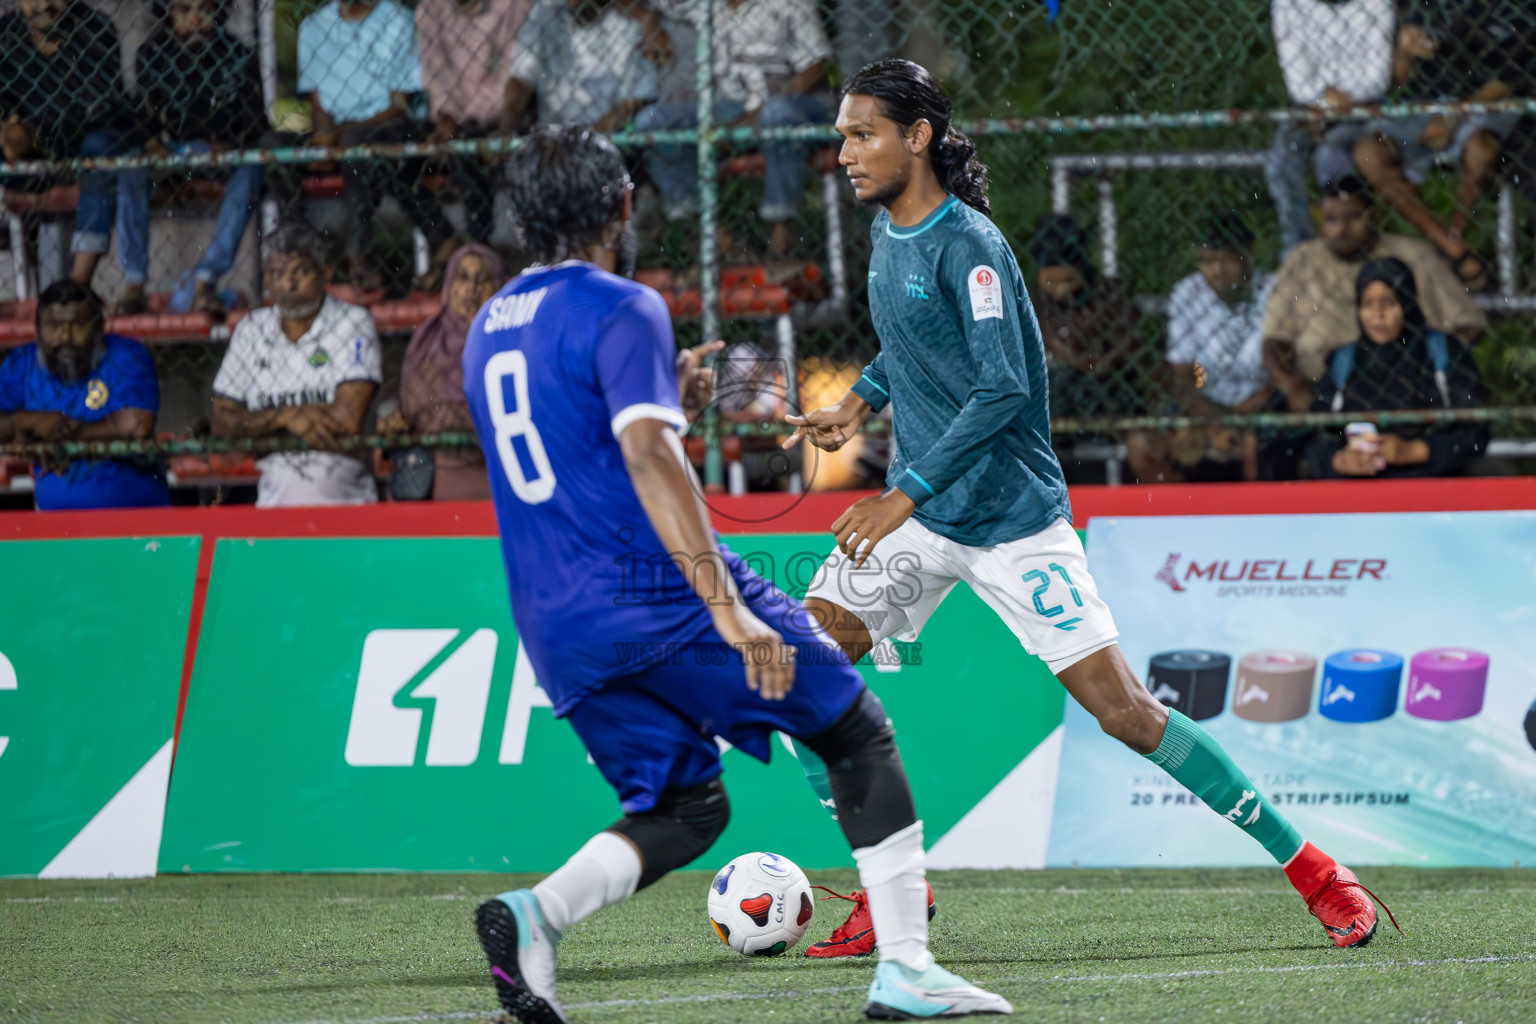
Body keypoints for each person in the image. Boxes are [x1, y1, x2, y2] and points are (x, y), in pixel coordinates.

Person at [783, 59, 1395, 959]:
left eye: (860, 133)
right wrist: (860, 400)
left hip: (1009, 521)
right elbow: (912, 342)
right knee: (799, 669)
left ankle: (1315, 871)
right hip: (924, 518)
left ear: (916, 138)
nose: (843, 151)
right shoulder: (886, 232)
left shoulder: (974, 247)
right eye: (841, 134)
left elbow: (998, 393)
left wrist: (897, 495)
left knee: (1127, 713)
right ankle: (892, 890)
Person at [461, 124, 1011, 1022]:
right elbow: (644, 460)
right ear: (622, 205)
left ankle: (536, 917)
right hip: (658, 595)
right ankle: (908, 968)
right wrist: (728, 609)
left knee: (686, 808)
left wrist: (664, 408)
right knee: (855, 728)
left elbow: (571, 456)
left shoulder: (487, 327)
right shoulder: (622, 305)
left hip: (555, 623)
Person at [1262, 175, 1485, 413]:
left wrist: (1428, 368)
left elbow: (1469, 326)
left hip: (1406, 390)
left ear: (1374, 214)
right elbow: (1274, 342)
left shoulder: (1414, 256)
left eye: (1354, 217)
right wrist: (1292, 386)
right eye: (1331, 220)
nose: (1342, 229)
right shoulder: (1302, 260)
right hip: (1320, 389)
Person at [1351, 5, 1534, 289]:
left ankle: (1456, 237)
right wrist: (1404, 48)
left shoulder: (1521, 10)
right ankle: (1454, 252)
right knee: (1368, 152)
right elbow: (1399, 79)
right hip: (1422, 106)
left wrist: (1453, 116)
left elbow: (1506, 82)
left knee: (1480, 150)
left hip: (1483, 105)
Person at [636, 0, 833, 254]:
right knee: (651, 121)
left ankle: (782, 226)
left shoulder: (789, 4)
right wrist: (646, 18)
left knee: (776, 113)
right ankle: (700, 225)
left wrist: (759, 111)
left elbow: (815, 65)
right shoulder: (706, 6)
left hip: (795, 103)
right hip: (730, 108)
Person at [210, 221, 382, 508]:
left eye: (300, 271)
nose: (288, 284)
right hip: (271, 504)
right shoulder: (252, 329)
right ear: (267, 280)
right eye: (277, 274)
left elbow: (345, 420)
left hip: (348, 503)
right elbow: (221, 422)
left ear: (325, 273)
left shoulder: (352, 322)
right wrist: (285, 417)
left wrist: (257, 427)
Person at [297, 0, 458, 292]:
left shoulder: (398, 20)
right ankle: (296, 252)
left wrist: (338, 136)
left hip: (392, 126)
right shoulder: (313, 27)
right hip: (339, 136)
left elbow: (400, 105)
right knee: (276, 150)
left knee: (359, 147)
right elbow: (318, 103)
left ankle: (358, 259)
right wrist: (323, 141)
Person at [0, 0, 149, 313]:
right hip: (21, 155)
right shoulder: (6, 35)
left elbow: (92, 110)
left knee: (105, 145)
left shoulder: (94, 29)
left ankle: (77, 285)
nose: (43, 4)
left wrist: (36, 133)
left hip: (81, 146)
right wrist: (10, 131)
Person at [136, 0, 268, 317]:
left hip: (218, 157)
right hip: (170, 156)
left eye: (205, 9)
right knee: (129, 171)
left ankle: (207, 277)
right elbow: (140, 116)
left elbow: (253, 121)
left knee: (252, 166)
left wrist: (229, 143)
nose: (195, 18)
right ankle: (132, 282)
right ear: (168, 14)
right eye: (183, 10)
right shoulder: (152, 55)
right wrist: (153, 144)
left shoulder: (237, 55)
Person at [1127, 211, 1275, 484]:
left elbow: (1280, 374)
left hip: (1262, 409)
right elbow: (1182, 375)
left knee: (1257, 448)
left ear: (1247, 255)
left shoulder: (1272, 290)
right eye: (1207, 261)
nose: (1216, 271)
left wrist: (1239, 420)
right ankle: (1174, 520)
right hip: (1203, 408)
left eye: (1227, 260)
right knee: (1142, 446)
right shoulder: (1188, 292)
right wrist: (1211, 424)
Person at [1306, 257, 1488, 478]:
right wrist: (1339, 460)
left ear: (1407, 303)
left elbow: (1476, 434)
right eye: (1367, 304)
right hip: (1358, 488)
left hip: (1431, 483)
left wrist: (1413, 451)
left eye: (1389, 303)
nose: (1377, 314)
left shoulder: (1441, 351)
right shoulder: (1345, 360)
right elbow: (1315, 434)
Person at [0, 281, 170, 510]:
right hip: (55, 520)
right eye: (53, 325)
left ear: (98, 327)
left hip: (134, 512)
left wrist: (70, 433)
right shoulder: (22, 363)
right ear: (38, 330)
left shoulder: (126, 354)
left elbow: (137, 425)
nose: (65, 335)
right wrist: (40, 423)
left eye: (77, 324)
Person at [1267, 0, 1396, 252]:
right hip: (1309, 110)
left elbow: (1377, 79)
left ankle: (1348, 250)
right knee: (1281, 162)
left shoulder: (1376, 4)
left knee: (1332, 154)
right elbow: (1299, 84)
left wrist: (1332, 97)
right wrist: (1326, 99)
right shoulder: (1288, 4)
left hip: (1363, 110)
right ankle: (1299, 254)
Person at [390, 243, 507, 500]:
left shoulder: (511, 341)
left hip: (502, 473)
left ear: (499, 288)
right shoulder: (427, 344)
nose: (471, 289)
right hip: (439, 478)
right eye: (462, 278)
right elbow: (414, 413)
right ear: (448, 286)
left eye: (482, 279)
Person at [415, 0, 531, 244]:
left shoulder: (515, 5)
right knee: (395, 157)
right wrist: (447, 117)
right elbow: (435, 74)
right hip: (452, 118)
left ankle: (480, 245)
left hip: (508, 114)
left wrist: (492, 124)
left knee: (469, 147)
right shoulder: (430, 10)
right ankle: (450, 243)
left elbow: (518, 75)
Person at [1026, 214, 1140, 421]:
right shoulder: (1031, 299)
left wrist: (1077, 360)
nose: (1060, 289)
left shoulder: (1105, 295)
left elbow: (1123, 357)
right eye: (1051, 281)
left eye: (1068, 280)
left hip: (1101, 388)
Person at [499, 0, 661, 135]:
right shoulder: (545, 15)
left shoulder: (628, 25)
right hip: (552, 139)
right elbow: (521, 77)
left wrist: (584, 137)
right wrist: (507, 123)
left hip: (611, 141)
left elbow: (637, 102)